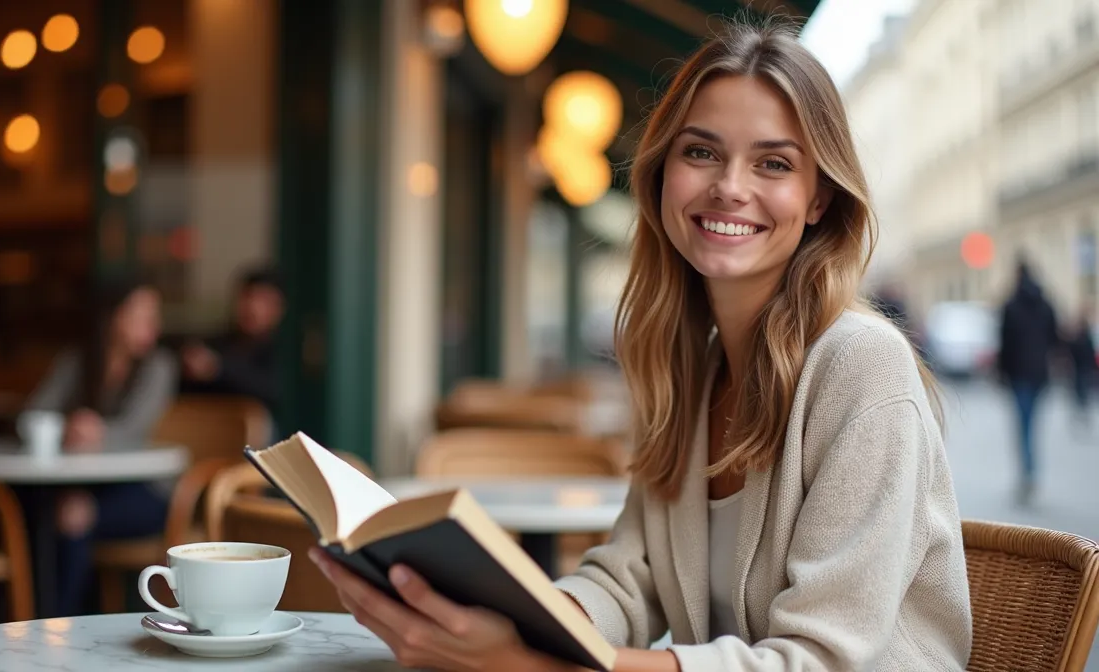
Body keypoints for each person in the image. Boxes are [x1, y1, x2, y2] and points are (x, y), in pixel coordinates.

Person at [309, 18, 972, 671]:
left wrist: (533, 666)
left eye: (772, 163)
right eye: (701, 152)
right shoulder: (693, 368)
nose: (730, 187)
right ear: (661, 176)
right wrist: (502, 626)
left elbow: (819, 660)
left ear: (819, 196)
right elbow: (630, 579)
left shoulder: (861, 365)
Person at [24, 278, 177, 616]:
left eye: (155, 316)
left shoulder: (159, 366)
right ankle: (38, 619)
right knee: (33, 508)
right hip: (85, 485)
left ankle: (57, 626)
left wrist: (96, 431)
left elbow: (136, 429)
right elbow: (34, 412)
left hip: (148, 491)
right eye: (141, 314)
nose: (153, 325)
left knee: (73, 515)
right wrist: (66, 427)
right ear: (113, 317)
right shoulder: (78, 361)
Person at [996, 259, 1060, 505]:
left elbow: (1004, 344)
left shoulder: (1011, 305)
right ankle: (1031, 472)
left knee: (1023, 426)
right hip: (1039, 374)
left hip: (1019, 374)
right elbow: (1055, 337)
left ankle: (1028, 473)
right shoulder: (1046, 303)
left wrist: (1002, 373)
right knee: (1032, 424)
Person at [178, 266, 284, 412]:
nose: (253, 307)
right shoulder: (217, 344)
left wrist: (217, 370)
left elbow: (274, 390)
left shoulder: (286, 351)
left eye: (263, 300)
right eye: (248, 297)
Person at [1066, 304, 1097, 432]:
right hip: (1080, 368)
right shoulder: (1082, 337)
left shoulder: (1082, 337)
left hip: (1081, 368)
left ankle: (1082, 414)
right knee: (1080, 392)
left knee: (1081, 392)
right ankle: (1081, 414)